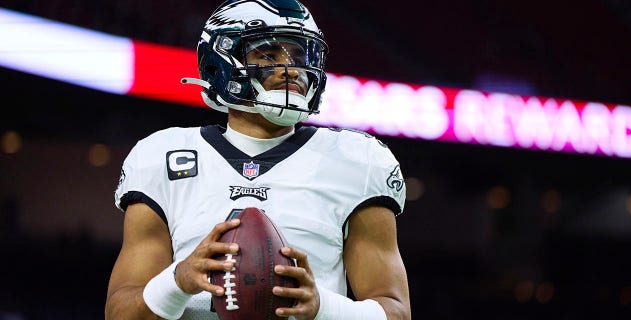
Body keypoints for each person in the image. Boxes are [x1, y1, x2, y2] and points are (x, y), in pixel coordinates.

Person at [104, 0, 411, 319]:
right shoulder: (160, 156)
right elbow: (119, 313)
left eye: (300, 54)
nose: (291, 68)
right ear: (219, 63)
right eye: (268, 54)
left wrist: (324, 308)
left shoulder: (357, 160)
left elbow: (397, 311)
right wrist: (177, 281)